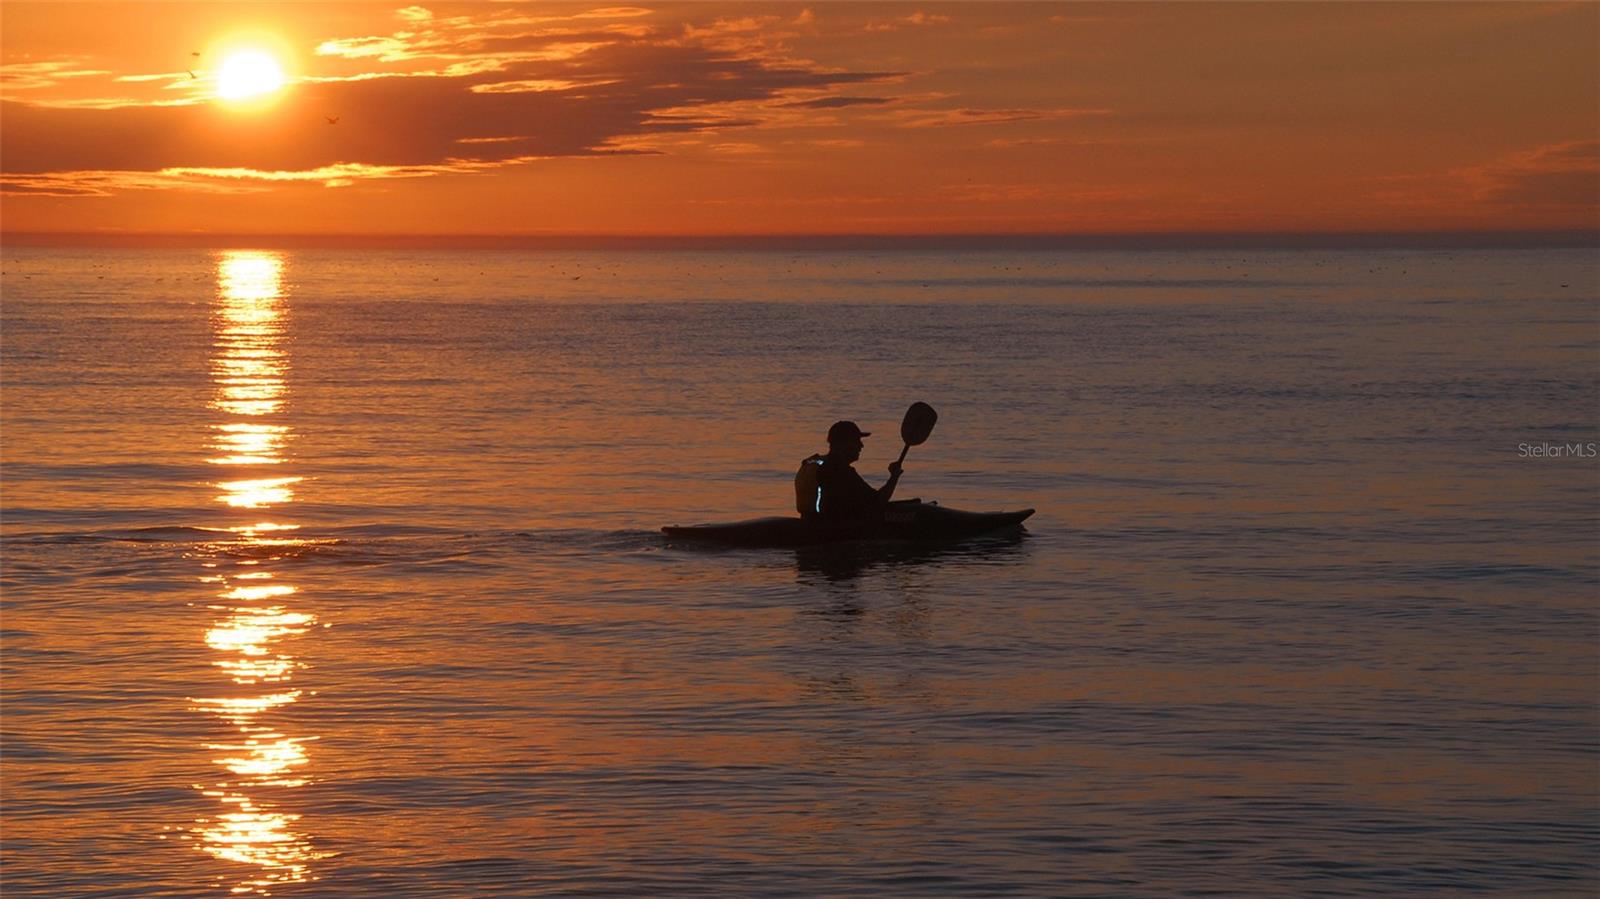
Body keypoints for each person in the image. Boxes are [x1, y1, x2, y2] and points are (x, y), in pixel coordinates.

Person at [796, 420, 902, 523]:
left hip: (810, 524)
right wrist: (894, 476)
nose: (861, 446)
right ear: (843, 444)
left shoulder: (811, 463)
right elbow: (878, 501)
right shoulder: (840, 471)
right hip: (834, 531)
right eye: (856, 441)